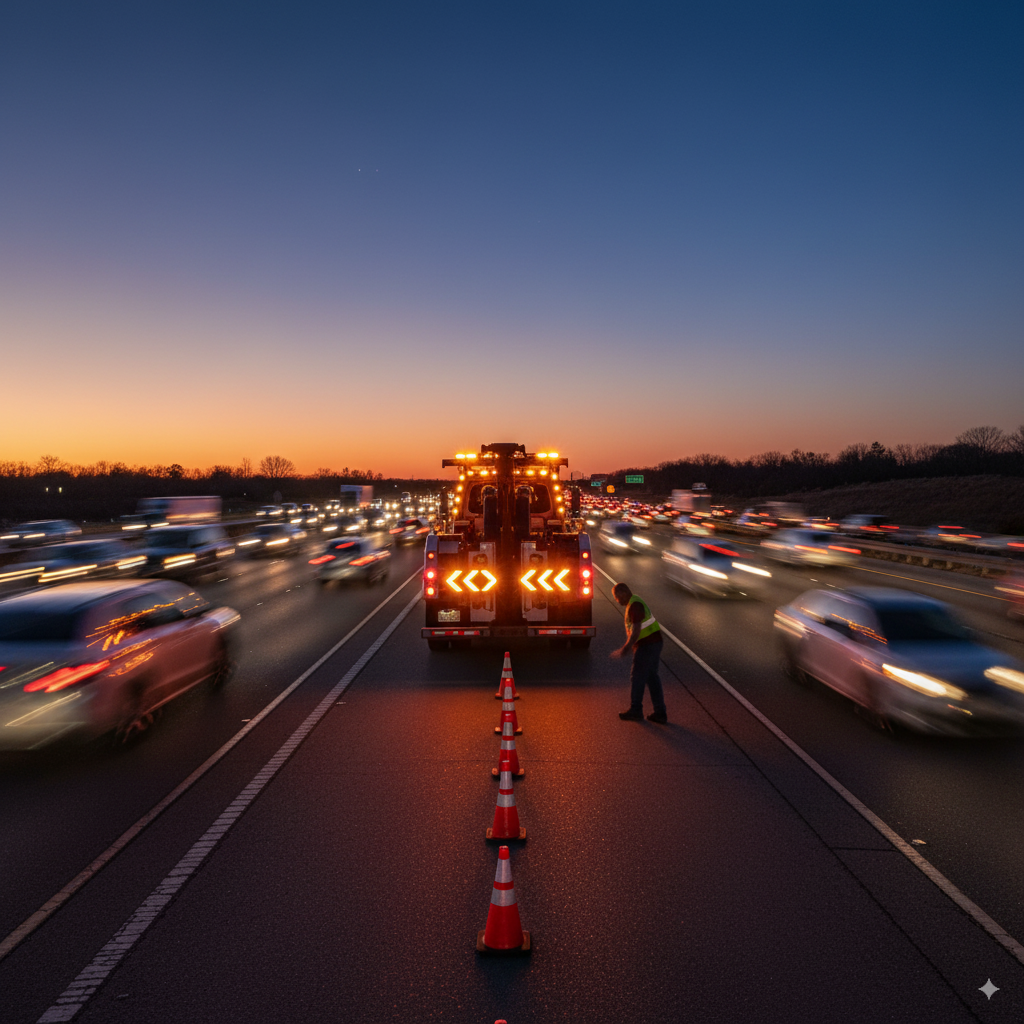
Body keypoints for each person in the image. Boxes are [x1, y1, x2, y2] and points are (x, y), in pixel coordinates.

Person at [610, 582, 667, 723]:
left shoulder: (635, 605)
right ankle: (660, 713)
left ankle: (636, 710)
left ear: (623, 593)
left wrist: (627, 647)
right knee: (652, 678)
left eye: (616, 597)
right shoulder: (634, 602)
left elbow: (636, 629)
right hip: (653, 642)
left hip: (647, 645)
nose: (617, 601)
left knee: (637, 677)